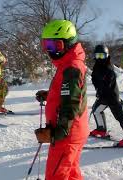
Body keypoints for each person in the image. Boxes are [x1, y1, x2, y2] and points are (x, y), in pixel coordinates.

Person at [34, 19, 89, 180]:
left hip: (67, 135)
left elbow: (71, 104)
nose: (50, 51)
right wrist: (50, 94)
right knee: (70, 173)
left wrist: (56, 133)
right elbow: (68, 92)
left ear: (68, 43)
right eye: (47, 46)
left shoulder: (72, 67)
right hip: (74, 132)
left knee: (56, 176)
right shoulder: (67, 63)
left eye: (55, 46)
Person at [90, 45, 123, 146]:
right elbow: (97, 82)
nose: (99, 58)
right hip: (104, 96)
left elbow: (106, 84)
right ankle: (101, 129)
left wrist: (101, 91)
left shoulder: (108, 69)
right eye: (98, 56)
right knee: (96, 110)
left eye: (102, 56)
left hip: (111, 97)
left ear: (107, 56)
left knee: (119, 115)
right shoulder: (97, 67)